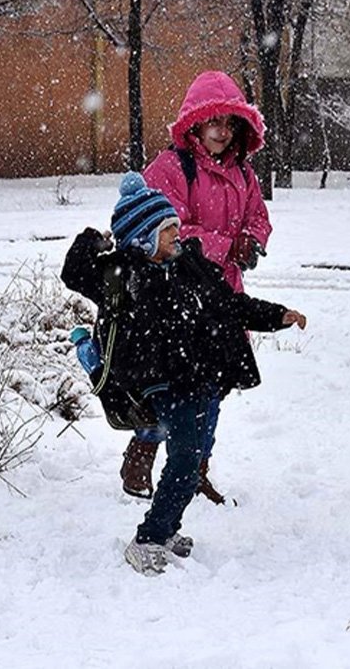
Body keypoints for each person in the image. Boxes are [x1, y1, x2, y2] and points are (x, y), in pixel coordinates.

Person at [61, 172, 306, 575]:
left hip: (198, 375)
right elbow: (75, 272)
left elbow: (233, 304)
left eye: (175, 226)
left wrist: (277, 315)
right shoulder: (123, 275)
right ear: (143, 236)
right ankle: (148, 539)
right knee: (185, 460)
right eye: (167, 229)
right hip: (160, 381)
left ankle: (166, 528)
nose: (177, 234)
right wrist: (93, 240)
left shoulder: (192, 267)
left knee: (188, 460)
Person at [127, 70, 272, 504]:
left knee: (215, 388)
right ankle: (145, 448)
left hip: (223, 298)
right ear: (195, 122)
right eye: (215, 122)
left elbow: (259, 218)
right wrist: (226, 245)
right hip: (178, 300)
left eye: (230, 124)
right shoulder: (171, 168)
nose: (222, 132)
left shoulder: (244, 174)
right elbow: (163, 230)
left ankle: (195, 469)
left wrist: (253, 242)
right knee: (174, 387)